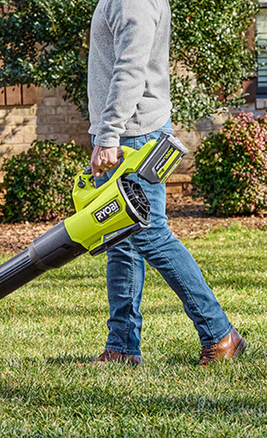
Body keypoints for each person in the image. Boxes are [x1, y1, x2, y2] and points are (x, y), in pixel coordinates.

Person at [87, 0, 246, 366]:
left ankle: (220, 333)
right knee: (121, 238)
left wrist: (108, 135)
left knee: (149, 233)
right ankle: (123, 346)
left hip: (134, 136)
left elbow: (130, 68)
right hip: (129, 133)